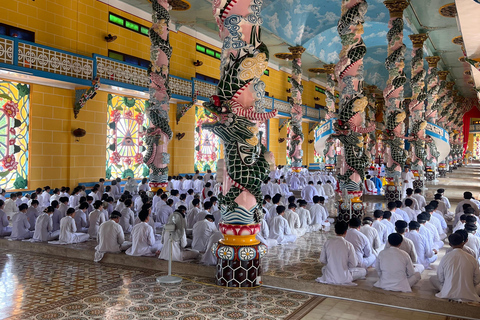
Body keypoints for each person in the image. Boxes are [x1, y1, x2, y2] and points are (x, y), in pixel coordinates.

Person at [430, 233, 480, 302]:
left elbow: (440, 278)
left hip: (448, 292)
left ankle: (450, 293)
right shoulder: (471, 258)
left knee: (432, 278)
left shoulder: (446, 257)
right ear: (463, 243)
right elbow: (477, 279)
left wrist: (449, 283)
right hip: (469, 293)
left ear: (450, 244)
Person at [316, 221, 367, 285]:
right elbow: (353, 264)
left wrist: (333, 264)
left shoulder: (328, 242)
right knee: (363, 271)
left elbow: (322, 260)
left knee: (323, 269)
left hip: (329, 276)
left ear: (335, 231)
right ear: (346, 232)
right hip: (344, 277)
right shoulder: (348, 245)